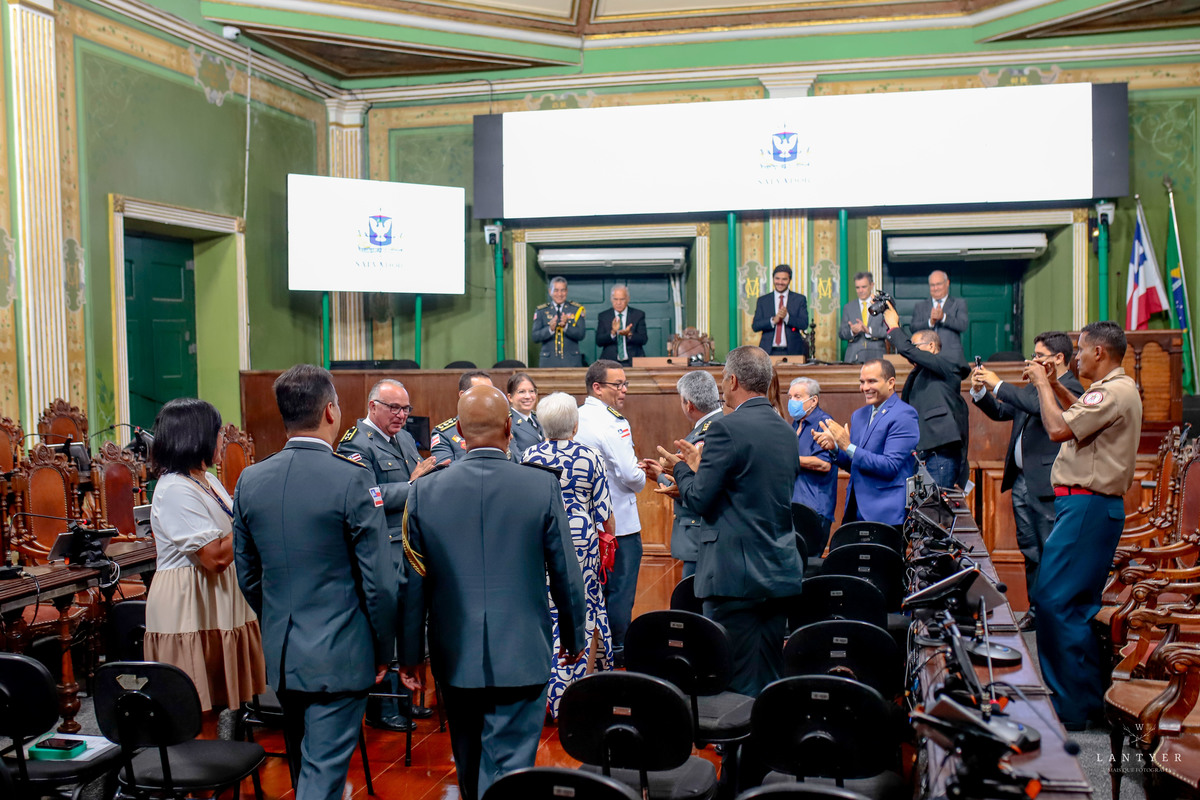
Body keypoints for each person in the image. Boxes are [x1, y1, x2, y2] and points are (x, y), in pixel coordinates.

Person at [398, 386, 586, 800]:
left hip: (455, 653)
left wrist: (410, 655)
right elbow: (566, 574)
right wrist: (574, 638)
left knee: (469, 763)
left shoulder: (424, 492)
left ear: (460, 432)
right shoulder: (540, 487)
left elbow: (412, 581)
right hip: (522, 651)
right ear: (508, 428)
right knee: (511, 771)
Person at [233, 364, 396, 800]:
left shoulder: (250, 479)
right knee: (321, 779)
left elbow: (247, 573)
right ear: (330, 411)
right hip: (340, 653)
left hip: (284, 656)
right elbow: (378, 580)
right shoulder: (352, 478)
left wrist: (277, 620)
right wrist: (385, 649)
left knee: (306, 769)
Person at [661, 346, 804, 696]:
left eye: (723, 378)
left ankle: (736, 747)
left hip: (733, 576)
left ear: (733, 380)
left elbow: (698, 498)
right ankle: (764, 743)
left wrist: (681, 468)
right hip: (778, 569)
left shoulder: (727, 430)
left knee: (732, 675)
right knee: (769, 670)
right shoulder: (787, 431)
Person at [1025, 321, 1142, 730]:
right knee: (1071, 603)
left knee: (1053, 601)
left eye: (1080, 351)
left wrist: (1041, 383)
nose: (1075, 358)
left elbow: (1059, 429)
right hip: (1087, 508)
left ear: (1099, 353)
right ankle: (1087, 701)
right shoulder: (1111, 390)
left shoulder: (1114, 390)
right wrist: (1057, 385)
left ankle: (1070, 708)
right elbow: (1079, 414)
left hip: (1089, 508)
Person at [145, 398, 266, 714]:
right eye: (217, 432)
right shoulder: (173, 488)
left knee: (221, 698)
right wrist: (254, 516)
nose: (222, 440)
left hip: (217, 599)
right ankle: (200, 761)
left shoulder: (206, 479)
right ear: (194, 437)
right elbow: (214, 557)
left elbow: (231, 528)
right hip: (190, 603)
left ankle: (224, 758)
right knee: (196, 705)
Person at [337, 378, 440, 731]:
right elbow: (368, 496)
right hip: (380, 543)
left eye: (405, 409)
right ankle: (382, 708)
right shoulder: (356, 445)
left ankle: (405, 699)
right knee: (384, 625)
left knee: (408, 622)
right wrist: (413, 486)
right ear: (372, 406)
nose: (401, 415)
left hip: (410, 542)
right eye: (393, 408)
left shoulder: (406, 439)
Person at [971, 332, 1083, 632]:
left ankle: (1055, 614)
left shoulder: (1069, 386)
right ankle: (1036, 609)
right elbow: (1003, 410)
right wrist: (982, 392)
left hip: (1047, 481)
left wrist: (998, 383)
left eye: (1039, 355)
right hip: (1022, 479)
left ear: (1058, 358)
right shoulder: (1035, 387)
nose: (1033, 361)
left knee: (1050, 550)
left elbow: (1033, 406)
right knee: (1030, 549)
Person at [522, 392, 615, 716]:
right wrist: (609, 544)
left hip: (539, 541)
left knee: (546, 611)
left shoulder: (529, 455)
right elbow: (604, 510)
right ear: (575, 426)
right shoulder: (589, 457)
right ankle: (579, 696)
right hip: (581, 542)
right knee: (583, 610)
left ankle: (546, 696)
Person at [575, 359, 645, 665]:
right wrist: (642, 476)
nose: (624, 390)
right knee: (619, 594)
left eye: (626, 383)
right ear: (597, 387)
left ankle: (591, 656)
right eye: (618, 384)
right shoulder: (614, 421)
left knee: (593, 593)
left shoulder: (575, 417)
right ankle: (619, 654)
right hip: (620, 525)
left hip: (584, 524)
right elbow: (630, 475)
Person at [814, 359, 919, 527]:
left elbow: (890, 466)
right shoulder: (859, 415)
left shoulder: (904, 415)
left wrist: (847, 445)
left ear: (891, 382)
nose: (864, 387)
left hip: (885, 514)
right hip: (855, 511)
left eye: (872, 381)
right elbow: (855, 463)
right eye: (862, 382)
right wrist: (835, 448)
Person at [641, 370, 723, 579]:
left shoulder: (706, 434)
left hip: (699, 535)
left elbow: (696, 488)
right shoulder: (720, 424)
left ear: (689, 405)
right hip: (708, 535)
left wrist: (660, 477)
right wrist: (660, 473)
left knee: (693, 604)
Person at [883, 302, 970, 488]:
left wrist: (894, 327)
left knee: (933, 512)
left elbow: (908, 350)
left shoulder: (947, 363)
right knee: (922, 512)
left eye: (916, 346)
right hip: (921, 453)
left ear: (931, 346)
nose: (911, 351)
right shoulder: (918, 373)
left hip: (940, 453)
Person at [787, 377, 837, 547]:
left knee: (811, 563)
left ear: (813, 400)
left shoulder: (824, 422)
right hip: (795, 505)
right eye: (790, 397)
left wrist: (788, 458)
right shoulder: (795, 424)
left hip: (815, 508)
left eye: (797, 397)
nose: (792, 401)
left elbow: (824, 464)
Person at [432, 371, 520, 463]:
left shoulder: (502, 424)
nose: (489, 398)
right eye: (482, 392)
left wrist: (506, 451)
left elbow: (518, 461)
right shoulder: (445, 433)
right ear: (463, 395)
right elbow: (443, 470)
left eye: (491, 392)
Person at [910, 269, 969, 365]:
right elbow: (913, 327)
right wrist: (930, 322)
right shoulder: (920, 306)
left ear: (947, 283)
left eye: (939, 284)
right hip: (926, 357)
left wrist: (943, 317)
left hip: (951, 356)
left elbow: (963, 325)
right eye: (932, 285)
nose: (935, 288)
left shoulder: (959, 303)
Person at [752, 264, 809, 358]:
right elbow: (755, 326)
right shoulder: (763, 300)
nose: (780, 282)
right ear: (773, 278)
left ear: (789, 280)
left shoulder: (799, 299)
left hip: (793, 351)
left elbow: (804, 324)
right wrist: (773, 320)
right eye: (777, 278)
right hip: (768, 351)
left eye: (784, 279)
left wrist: (787, 317)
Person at [531, 276, 586, 367]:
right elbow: (535, 337)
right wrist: (550, 329)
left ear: (567, 291)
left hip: (571, 362)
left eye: (562, 290)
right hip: (548, 362)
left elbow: (581, 334)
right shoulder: (541, 311)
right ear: (550, 292)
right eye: (556, 290)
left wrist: (566, 327)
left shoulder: (576, 309)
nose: (559, 294)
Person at [839, 271, 888, 364]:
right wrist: (852, 331)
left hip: (877, 355)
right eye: (857, 287)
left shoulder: (882, 306)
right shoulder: (848, 307)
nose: (860, 290)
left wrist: (869, 330)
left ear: (872, 285)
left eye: (864, 287)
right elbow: (841, 333)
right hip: (854, 357)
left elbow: (888, 331)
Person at [595, 284, 647, 366]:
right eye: (615, 299)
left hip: (632, 362)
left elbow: (643, 339)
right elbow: (599, 341)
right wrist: (613, 332)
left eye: (622, 299)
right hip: (610, 362)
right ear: (611, 299)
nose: (618, 303)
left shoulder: (638, 315)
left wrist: (629, 334)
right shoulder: (604, 316)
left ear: (628, 299)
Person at [506, 372, 545, 457]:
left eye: (531, 391)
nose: (528, 396)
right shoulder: (507, 422)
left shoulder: (540, 418)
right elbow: (515, 456)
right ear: (510, 397)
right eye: (522, 392)